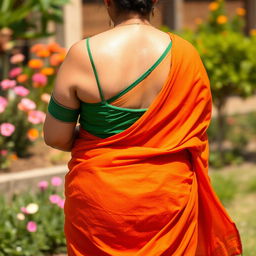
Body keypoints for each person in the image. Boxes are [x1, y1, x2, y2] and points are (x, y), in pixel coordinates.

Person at [43, 0, 243, 255]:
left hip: (100, 201)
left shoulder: (84, 54)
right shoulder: (185, 54)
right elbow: (196, 127)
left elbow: (56, 136)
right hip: (167, 198)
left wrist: (103, 138)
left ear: (108, 1)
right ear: (155, 1)